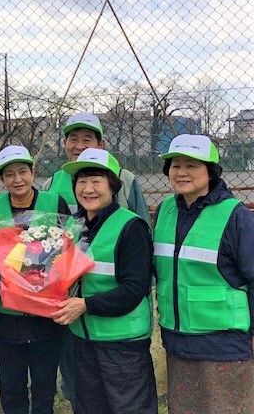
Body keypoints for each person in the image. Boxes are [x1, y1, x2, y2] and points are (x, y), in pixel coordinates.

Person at [41, 112, 150, 404]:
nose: (88, 189)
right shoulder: (74, 225)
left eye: (97, 182)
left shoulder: (130, 225)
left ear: (114, 187)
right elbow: (48, 265)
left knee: (127, 406)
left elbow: (135, 286)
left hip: (121, 339)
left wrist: (85, 304)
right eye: (82, 182)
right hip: (82, 335)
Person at [153, 134, 254, 413]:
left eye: (192, 165)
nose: (181, 172)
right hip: (177, 342)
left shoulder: (236, 216)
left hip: (225, 345)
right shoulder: (165, 211)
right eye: (175, 165)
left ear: (211, 171)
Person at [0, 145, 70, 414]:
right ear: (1, 179)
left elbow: (69, 251)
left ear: (33, 172)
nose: (17, 179)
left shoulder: (55, 203)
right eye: (9, 174)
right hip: (7, 314)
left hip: (45, 314)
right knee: (11, 384)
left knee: (44, 384)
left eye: (23, 171)